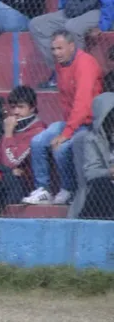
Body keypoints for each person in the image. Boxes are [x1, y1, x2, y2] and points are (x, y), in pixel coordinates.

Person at [22, 30, 102, 205]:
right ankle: (43, 189)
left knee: (61, 148)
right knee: (37, 142)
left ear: (72, 46)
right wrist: (66, 128)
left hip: (90, 123)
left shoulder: (85, 64)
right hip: (71, 122)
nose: (56, 53)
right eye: (53, 49)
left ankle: (68, 189)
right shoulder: (60, 65)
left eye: (60, 48)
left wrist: (66, 133)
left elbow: (83, 104)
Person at [0, 86, 46, 210]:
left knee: (9, 176)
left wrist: (8, 133)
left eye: (21, 107)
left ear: (32, 108)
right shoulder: (14, 128)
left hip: (25, 184)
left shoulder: (37, 131)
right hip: (2, 179)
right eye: (13, 107)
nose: (16, 112)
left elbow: (10, 163)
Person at [74, 93, 114, 219]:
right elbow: (90, 173)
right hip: (105, 189)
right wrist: (110, 172)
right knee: (101, 185)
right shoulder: (90, 139)